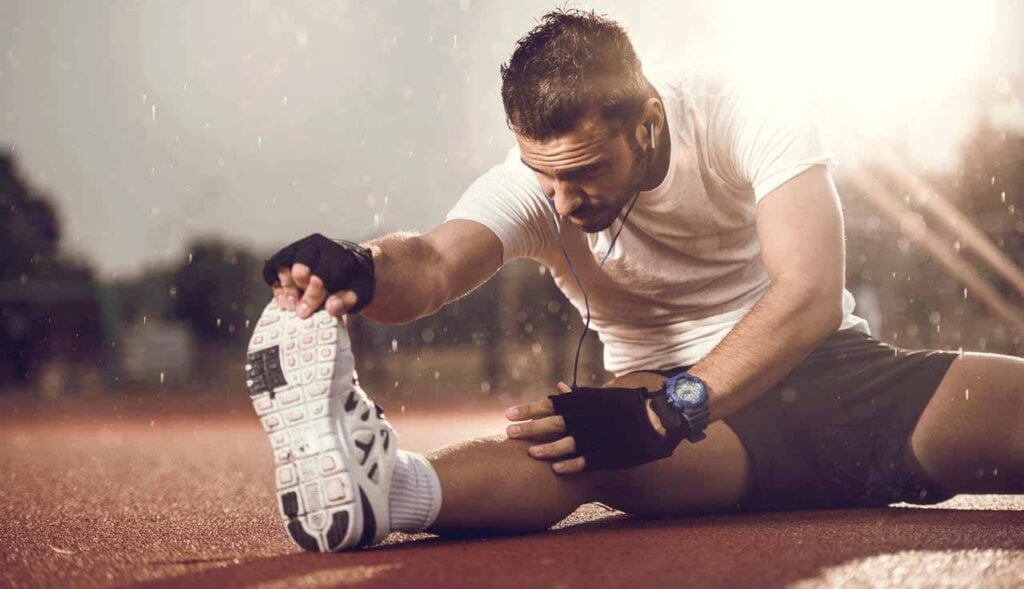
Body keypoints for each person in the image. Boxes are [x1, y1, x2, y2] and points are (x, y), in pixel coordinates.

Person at [244, 9, 1024, 552]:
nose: (564, 198)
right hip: (683, 429)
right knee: (575, 441)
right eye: (544, 176)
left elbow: (811, 293)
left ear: (648, 121)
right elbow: (438, 263)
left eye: (585, 171)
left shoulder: (744, 108)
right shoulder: (542, 181)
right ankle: (388, 491)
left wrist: (669, 411)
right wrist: (363, 267)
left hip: (844, 387)